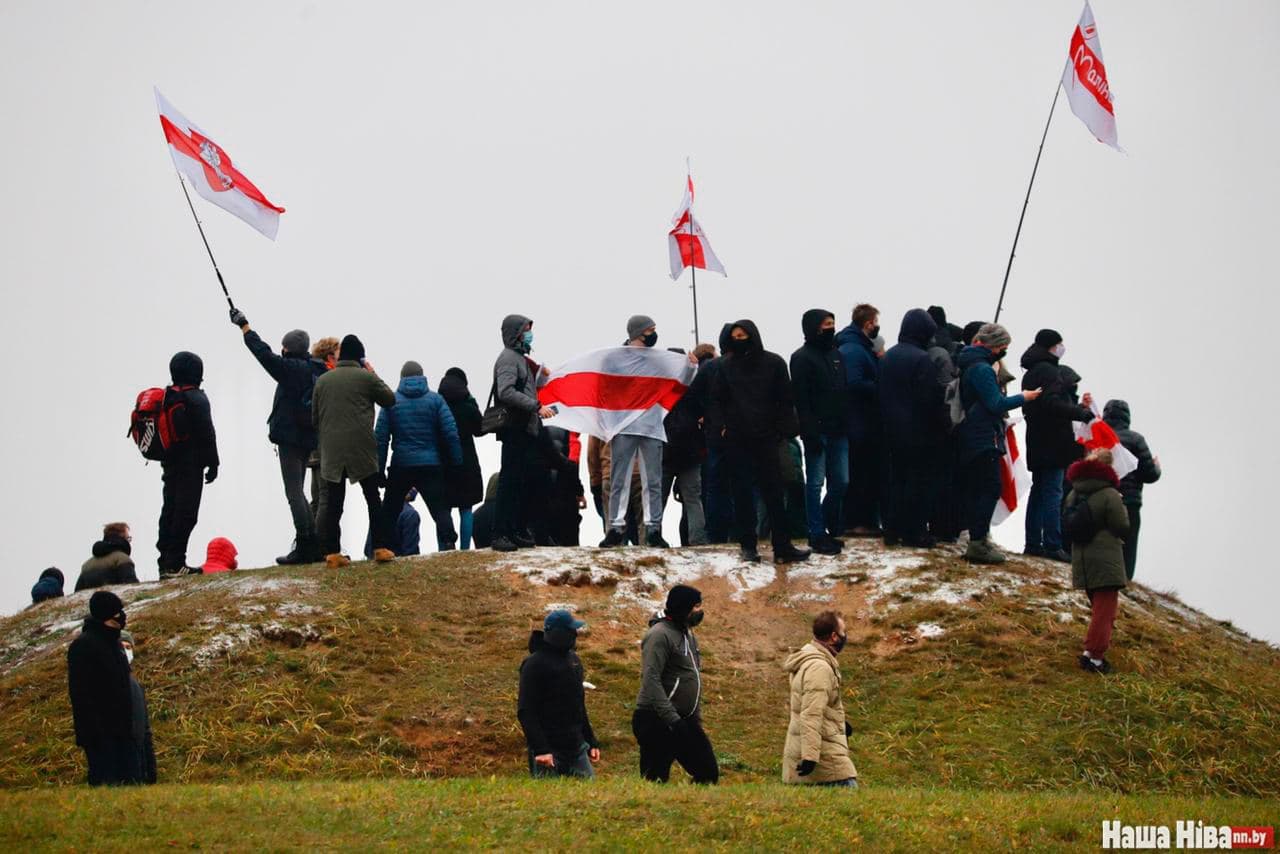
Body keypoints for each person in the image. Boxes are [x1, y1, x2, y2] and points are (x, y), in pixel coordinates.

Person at [708, 321, 810, 565]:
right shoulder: (725, 367)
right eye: (735, 336)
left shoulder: (773, 363)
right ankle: (748, 546)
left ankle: (782, 546)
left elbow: (785, 399)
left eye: (742, 335)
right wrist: (722, 429)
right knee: (743, 496)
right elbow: (717, 401)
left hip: (767, 438)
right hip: (737, 439)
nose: (738, 340)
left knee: (774, 494)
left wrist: (784, 430)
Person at [230, 308, 327, 565]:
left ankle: (305, 543)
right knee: (300, 491)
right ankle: (312, 542)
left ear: (288, 349)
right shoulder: (314, 369)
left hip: (290, 439)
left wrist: (245, 327)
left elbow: (263, 354)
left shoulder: (289, 369)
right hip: (308, 438)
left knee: (293, 491)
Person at [954, 325, 1040, 563]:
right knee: (991, 487)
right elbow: (995, 403)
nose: (1005, 350)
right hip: (982, 435)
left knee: (979, 487)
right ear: (993, 344)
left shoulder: (969, 364)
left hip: (972, 434)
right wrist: (1024, 397)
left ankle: (976, 538)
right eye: (1003, 345)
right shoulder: (982, 369)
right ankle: (978, 541)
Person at [312, 335, 396, 568]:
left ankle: (332, 553)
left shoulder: (323, 380)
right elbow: (389, 399)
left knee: (334, 503)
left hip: (332, 450)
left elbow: (315, 418)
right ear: (360, 357)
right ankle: (379, 548)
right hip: (362, 448)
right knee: (372, 498)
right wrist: (372, 372)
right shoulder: (365, 378)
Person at [600, 315, 684, 549]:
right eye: (651, 330)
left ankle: (653, 529)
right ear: (639, 332)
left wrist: (689, 365)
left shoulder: (658, 360)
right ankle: (615, 529)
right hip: (624, 425)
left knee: (653, 481)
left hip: (651, 426)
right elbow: (604, 388)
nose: (655, 334)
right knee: (619, 479)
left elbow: (677, 381)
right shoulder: (614, 359)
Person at [372, 361, 463, 559]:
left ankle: (384, 547)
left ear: (402, 378)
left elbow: (380, 438)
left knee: (390, 510)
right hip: (430, 463)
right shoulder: (436, 400)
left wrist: (378, 470)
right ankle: (449, 542)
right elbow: (450, 433)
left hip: (401, 464)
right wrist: (456, 462)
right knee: (440, 508)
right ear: (422, 376)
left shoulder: (391, 401)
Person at [1020, 329, 1094, 561]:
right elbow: (1052, 403)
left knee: (1039, 491)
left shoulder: (1031, 371)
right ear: (1052, 346)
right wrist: (1080, 413)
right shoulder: (1050, 371)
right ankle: (1053, 544)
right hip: (1053, 440)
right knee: (1053, 491)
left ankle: (1033, 542)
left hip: (1035, 437)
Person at [632, 585, 718, 784]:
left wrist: (693, 717)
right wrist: (672, 718)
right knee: (655, 779)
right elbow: (650, 679)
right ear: (684, 607)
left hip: (684, 719)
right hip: (656, 719)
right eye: (696, 606)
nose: (700, 611)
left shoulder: (687, 634)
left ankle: (695, 810)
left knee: (707, 773)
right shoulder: (659, 635)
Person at [878, 310, 948, 548]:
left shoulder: (888, 357)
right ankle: (914, 533)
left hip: (890, 430)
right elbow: (929, 399)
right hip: (919, 431)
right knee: (919, 483)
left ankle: (891, 530)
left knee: (896, 481)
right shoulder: (922, 359)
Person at [491, 315, 554, 553]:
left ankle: (514, 530)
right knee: (509, 481)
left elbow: (524, 388)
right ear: (516, 333)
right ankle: (501, 533)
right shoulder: (509, 358)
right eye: (526, 330)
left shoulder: (520, 359)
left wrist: (541, 380)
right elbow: (506, 391)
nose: (529, 334)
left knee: (520, 482)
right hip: (514, 428)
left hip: (524, 428)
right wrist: (536, 406)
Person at [1065, 449, 1131, 674]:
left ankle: (1089, 653)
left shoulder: (1074, 492)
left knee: (1098, 608)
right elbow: (1121, 525)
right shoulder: (1109, 494)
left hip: (1082, 558)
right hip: (1105, 558)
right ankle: (1095, 657)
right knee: (1105, 611)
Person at [790, 309, 849, 555]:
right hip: (817, 431)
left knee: (841, 482)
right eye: (826, 324)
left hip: (840, 430)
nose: (831, 328)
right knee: (814, 483)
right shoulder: (801, 357)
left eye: (833, 323)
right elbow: (801, 399)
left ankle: (828, 525)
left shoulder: (836, 354)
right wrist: (809, 432)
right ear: (814, 327)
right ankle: (816, 533)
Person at [517, 609, 601, 779]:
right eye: (571, 631)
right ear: (560, 634)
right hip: (548, 749)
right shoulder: (533, 664)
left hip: (576, 747)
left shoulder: (574, 661)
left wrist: (591, 741)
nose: (575, 634)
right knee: (549, 801)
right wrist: (541, 750)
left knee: (589, 796)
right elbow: (526, 711)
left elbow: (579, 705)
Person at [157, 351, 219, 578]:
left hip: (169, 462)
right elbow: (207, 434)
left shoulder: (167, 395)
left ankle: (164, 561)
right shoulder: (197, 398)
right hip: (191, 465)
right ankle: (176, 562)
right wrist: (214, 464)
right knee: (186, 513)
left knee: (169, 509)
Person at [67, 591, 139, 785]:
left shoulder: (114, 643)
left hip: (122, 729)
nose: (122, 616)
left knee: (130, 786)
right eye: (117, 611)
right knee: (106, 783)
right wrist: (93, 731)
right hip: (99, 732)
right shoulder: (84, 646)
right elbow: (81, 694)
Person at [782, 610, 858, 788]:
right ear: (833, 637)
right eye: (843, 632)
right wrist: (810, 757)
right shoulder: (819, 667)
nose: (845, 636)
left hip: (820, 749)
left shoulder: (810, 659)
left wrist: (839, 723)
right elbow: (811, 714)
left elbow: (813, 705)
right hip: (826, 762)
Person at [836, 304, 884, 537]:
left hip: (861, 422)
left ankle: (860, 520)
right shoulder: (854, 350)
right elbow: (853, 384)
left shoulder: (856, 347)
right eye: (875, 322)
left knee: (863, 472)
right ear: (868, 324)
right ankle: (855, 522)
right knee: (860, 473)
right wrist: (880, 386)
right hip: (859, 423)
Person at [1102, 400, 1162, 580]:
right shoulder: (1136, 440)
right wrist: (1156, 467)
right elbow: (1149, 474)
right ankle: (1125, 580)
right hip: (1130, 500)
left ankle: (1104, 576)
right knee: (1128, 543)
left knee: (1103, 540)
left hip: (1102, 498)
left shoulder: (1097, 436)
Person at [662, 345, 714, 546]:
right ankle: (698, 539)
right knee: (693, 499)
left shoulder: (661, 388)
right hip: (690, 452)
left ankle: (653, 536)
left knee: (660, 499)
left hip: (666, 452)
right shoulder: (692, 386)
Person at [438, 368, 484, 550]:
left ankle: (443, 548)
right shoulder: (467, 405)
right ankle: (465, 549)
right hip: (467, 462)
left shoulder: (438, 405)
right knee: (466, 508)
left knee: (443, 509)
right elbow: (480, 430)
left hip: (442, 461)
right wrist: (473, 402)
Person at [308, 337, 342, 523]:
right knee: (325, 496)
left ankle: (309, 542)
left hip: (313, 444)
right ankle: (320, 545)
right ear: (330, 357)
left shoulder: (313, 374)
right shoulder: (326, 377)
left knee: (317, 497)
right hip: (324, 443)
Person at [118, 630, 156, 784]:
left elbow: (145, 729)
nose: (126, 651)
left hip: (138, 759)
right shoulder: (110, 682)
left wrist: (150, 769)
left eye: (129, 647)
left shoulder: (135, 684)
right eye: (122, 647)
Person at [76, 522, 139, 591]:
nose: (129, 542)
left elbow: (77, 593)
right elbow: (132, 587)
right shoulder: (121, 558)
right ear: (121, 537)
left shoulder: (86, 565)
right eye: (128, 538)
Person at [364, 490, 421, 559]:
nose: (415, 490)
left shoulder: (380, 508)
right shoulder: (410, 514)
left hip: (374, 562)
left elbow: (368, 549)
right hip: (398, 564)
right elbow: (411, 554)